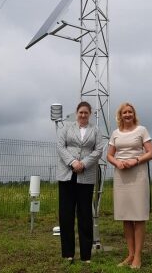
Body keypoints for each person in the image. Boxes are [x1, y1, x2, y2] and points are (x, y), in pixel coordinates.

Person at [107, 102, 152, 269]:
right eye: (124, 112)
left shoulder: (142, 130)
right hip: (121, 176)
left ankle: (138, 257)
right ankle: (130, 254)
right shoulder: (115, 133)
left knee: (138, 215)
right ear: (120, 115)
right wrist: (117, 163)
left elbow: (150, 152)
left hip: (138, 175)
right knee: (126, 216)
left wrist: (135, 160)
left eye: (130, 112)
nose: (127, 114)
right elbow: (109, 155)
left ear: (134, 114)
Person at [56, 101, 103, 264]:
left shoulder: (95, 130)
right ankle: (68, 253)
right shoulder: (66, 128)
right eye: (81, 112)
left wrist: (83, 163)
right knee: (66, 215)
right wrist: (73, 162)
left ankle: (86, 255)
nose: (83, 115)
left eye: (86, 113)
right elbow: (60, 147)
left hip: (86, 175)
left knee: (85, 215)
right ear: (76, 113)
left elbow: (98, 150)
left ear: (90, 114)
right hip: (67, 175)